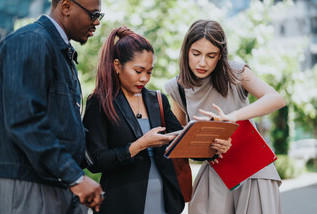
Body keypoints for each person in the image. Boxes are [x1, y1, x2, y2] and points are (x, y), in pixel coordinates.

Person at [83, 26, 231, 214]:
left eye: (149, 72)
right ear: (117, 66)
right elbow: (96, 161)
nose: (144, 78)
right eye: (138, 71)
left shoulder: (157, 100)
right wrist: (139, 145)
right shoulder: (99, 102)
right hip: (122, 203)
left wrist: (213, 146)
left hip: (163, 201)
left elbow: (181, 143)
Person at [0, 0, 105, 213]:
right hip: (27, 184)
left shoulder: (60, 52)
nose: (97, 22)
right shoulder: (30, 41)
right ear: (66, 6)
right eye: (93, 14)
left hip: (57, 183)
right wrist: (76, 178)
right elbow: (24, 122)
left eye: (99, 16)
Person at [164, 20, 285, 214]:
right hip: (215, 172)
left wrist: (230, 118)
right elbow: (181, 144)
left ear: (220, 56)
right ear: (186, 51)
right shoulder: (176, 87)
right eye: (196, 54)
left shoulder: (236, 72)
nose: (202, 62)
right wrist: (208, 147)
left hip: (253, 168)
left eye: (211, 56)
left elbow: (276, 99)